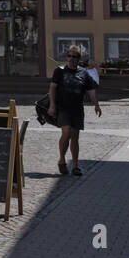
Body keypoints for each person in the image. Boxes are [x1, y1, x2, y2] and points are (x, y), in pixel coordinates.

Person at [48, 45, 101, 176]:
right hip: (63, 108)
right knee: (66, 133)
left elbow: (92, 91)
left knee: (75, 137)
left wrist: (96, 105)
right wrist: (52, 105)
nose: (71, 59)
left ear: (79, 59)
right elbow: (52, 88)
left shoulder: (84, 73)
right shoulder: (59, 71)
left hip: (77, 109)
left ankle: (75, 166)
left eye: (74, 56)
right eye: (69, 56)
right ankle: (61, 159)